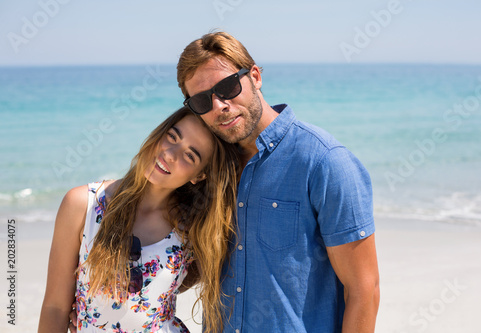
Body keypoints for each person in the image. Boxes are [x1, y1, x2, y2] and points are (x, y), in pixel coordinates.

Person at [176, 31, 380, 332]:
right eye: (203, 101)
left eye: (228, 87)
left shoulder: (325, 161)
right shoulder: (208, 168)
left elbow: (364, 290)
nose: (219, 106)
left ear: (255, 76)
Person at [38, 107, 239, 333]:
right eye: (172, 137)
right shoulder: (82, 205)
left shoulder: (194, 228)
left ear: (199, 175)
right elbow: (54, 308)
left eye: (190, 156)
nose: (170, 154)